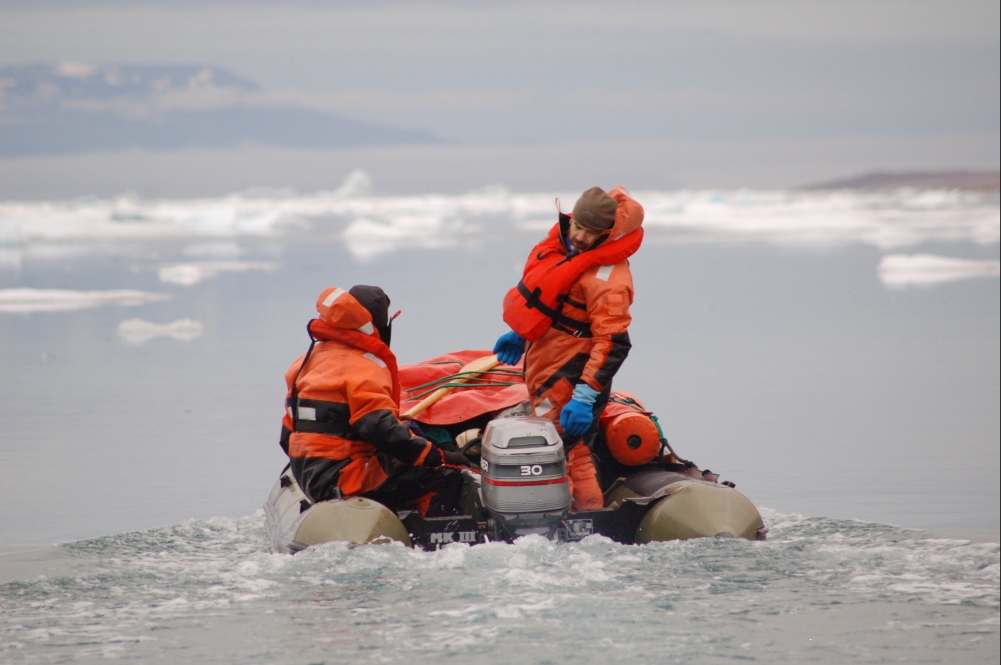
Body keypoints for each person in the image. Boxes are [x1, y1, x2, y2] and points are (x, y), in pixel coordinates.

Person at [494, 186, 644, 509]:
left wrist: (584, 396)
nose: (578, 237)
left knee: (573, 455)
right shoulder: (563, 250)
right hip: (546, 370)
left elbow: (614, 343)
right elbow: (552, 302)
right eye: (576, 226)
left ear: (605, 235)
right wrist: (521, 335)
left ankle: (587, 522)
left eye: (590, 234)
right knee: (561, 452)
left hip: (572, 379)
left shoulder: (609, 277)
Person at [280, 285, 469, 515]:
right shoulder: (365, 368)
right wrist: (440, 456)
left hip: (307, 474)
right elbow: (382, 430)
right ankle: (429, 538)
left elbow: (286, 437)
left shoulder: (303, 363)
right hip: (345, 478)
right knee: (449, 475)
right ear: (379, 327)